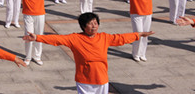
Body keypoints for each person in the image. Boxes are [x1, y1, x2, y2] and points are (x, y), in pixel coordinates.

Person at [24, 12, 153, 94]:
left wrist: (139, 34)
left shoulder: (104, 37)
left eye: (96, 23)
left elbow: (121, 38)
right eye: (90, 24)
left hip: (101, 79)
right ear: (83, 26)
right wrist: (37, 37)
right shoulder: (75, 38)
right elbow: (57, 39)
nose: (94, 26)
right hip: (84, 80)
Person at [0, 0, 76, 65]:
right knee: (29, 36)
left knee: (39, 36)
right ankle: (28, 57)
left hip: (40, 15)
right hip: (28, 16)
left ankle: (37, 56)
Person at [107, 0, 178, 61]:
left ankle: (142, 53)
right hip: (136, 14)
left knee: (145, 35)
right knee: (138, 34)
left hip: (147, 14)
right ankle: (135, 54)